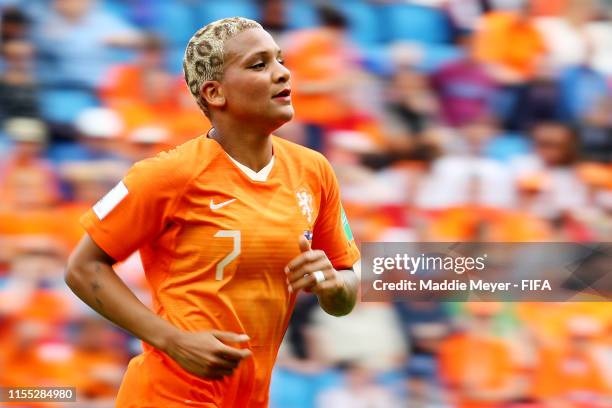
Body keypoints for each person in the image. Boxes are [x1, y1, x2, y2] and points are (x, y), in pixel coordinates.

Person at [65, 16, 360, 407]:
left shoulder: (314, 171)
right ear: (216, 93)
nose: (282, 73)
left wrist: (335, 286)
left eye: (280, 59)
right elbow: (82, 268)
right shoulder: (168, 174)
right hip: (170, 395)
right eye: (259, 65)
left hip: (250, 397)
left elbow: (345, 291)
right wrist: (172, 340)